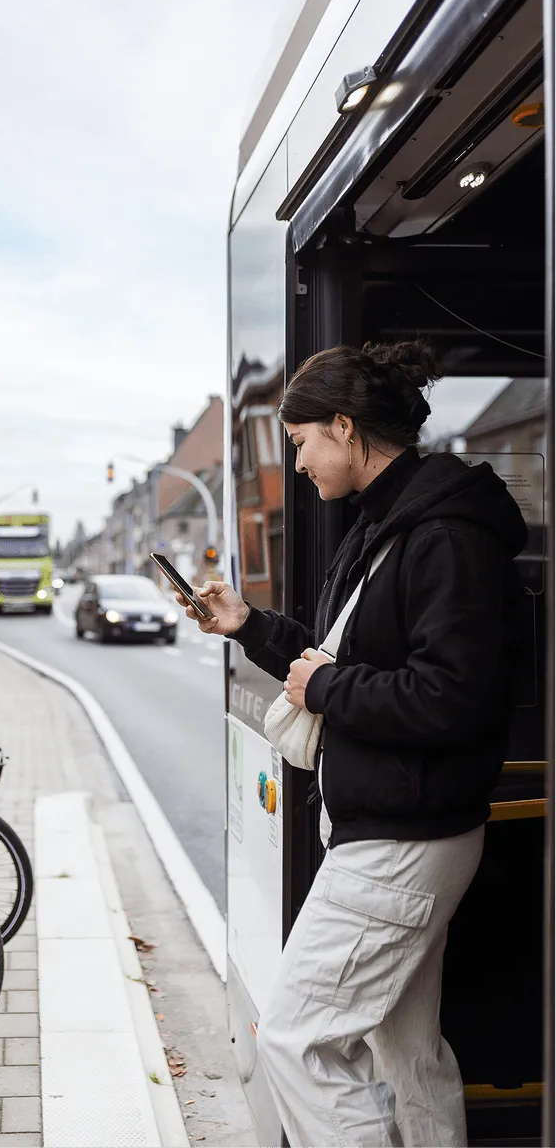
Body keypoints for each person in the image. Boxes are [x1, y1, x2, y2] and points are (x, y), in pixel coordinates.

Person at [175, 340, 527, 1148]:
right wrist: (250, 629)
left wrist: (326, 689)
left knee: (296, 1043)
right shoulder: (395, 523)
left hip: (401, 839)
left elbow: (453, 697)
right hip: (403, 826)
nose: (297, 464)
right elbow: (345, 664)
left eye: (300, 442)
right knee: (405, 1053)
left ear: (343, 426)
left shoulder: (441, 537)